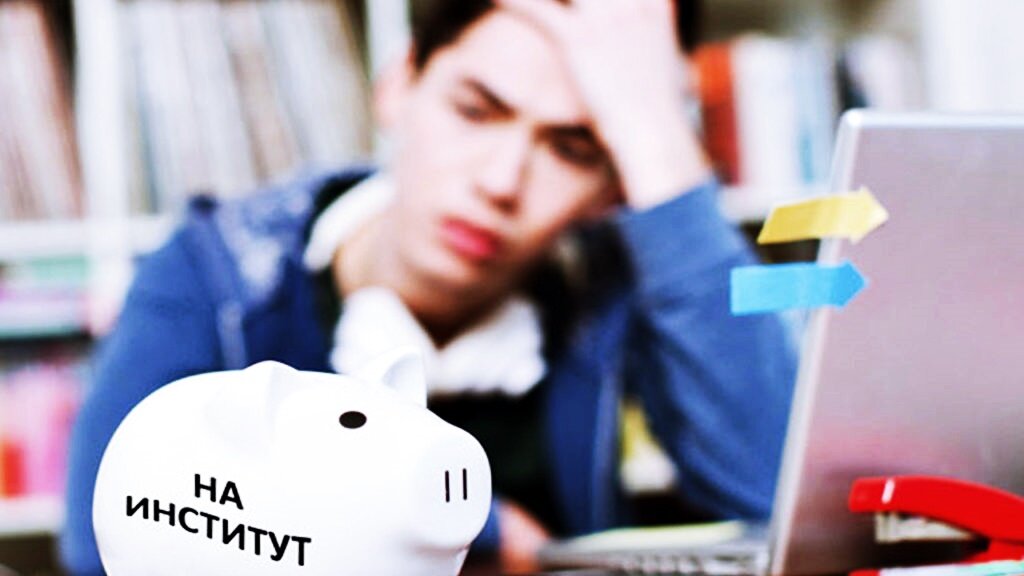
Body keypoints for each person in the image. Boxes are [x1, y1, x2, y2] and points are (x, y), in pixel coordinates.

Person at [61, 0, 796, 574]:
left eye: (574, 149)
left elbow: (783, 498)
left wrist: (656, 138)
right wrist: (476, 527)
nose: (500, 181)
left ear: (612, 185)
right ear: (398, 85)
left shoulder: (607, 288)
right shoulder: (220, 272)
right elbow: (110, 538)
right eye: (475, 109)